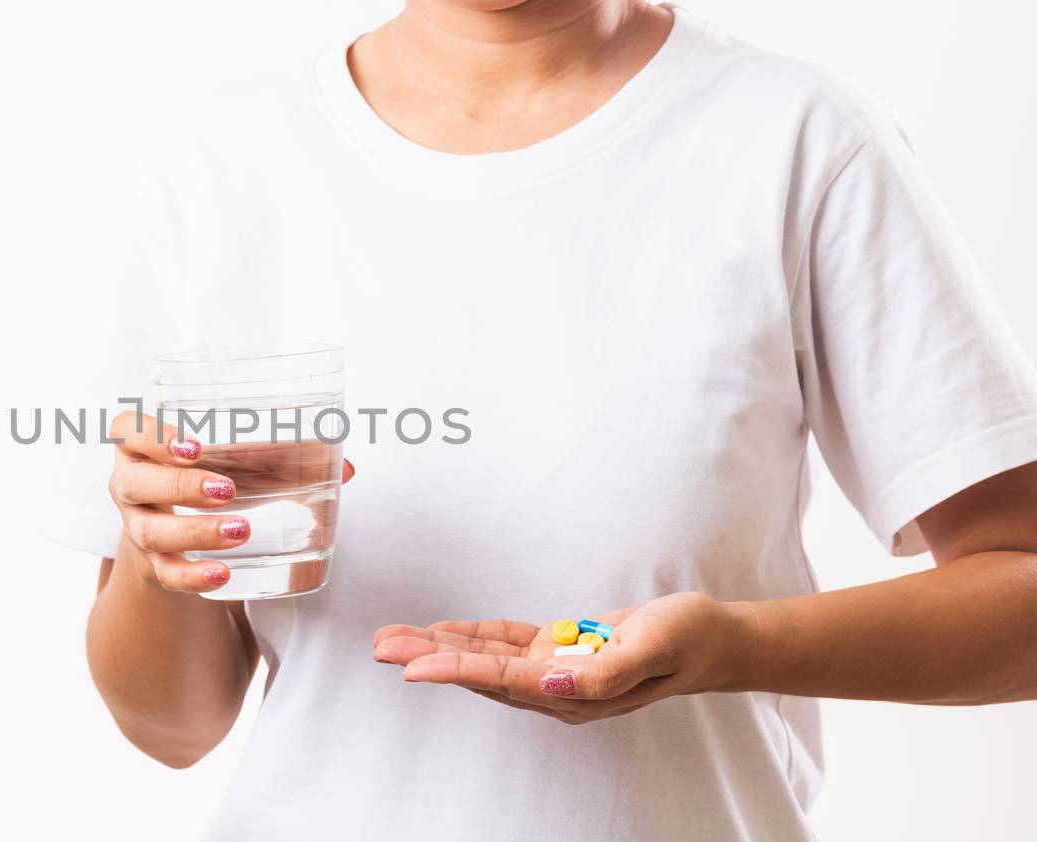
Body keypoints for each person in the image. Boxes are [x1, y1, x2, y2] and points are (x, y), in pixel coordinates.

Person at [69, 1, 1037, 838]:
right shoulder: (219, 172)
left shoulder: (799, 142)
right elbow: (174, 724)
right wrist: (156, 544)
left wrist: (733, 646)